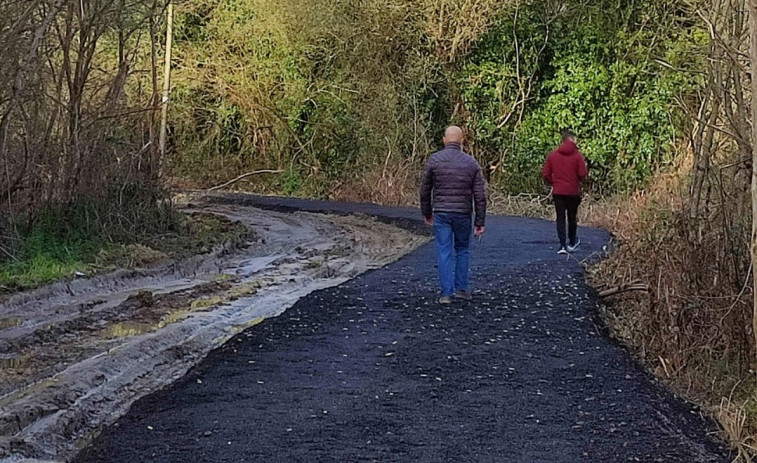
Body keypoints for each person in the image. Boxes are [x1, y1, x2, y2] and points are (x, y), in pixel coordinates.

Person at [420, 126, 487, 304]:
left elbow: (425, 190)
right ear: (462, 141)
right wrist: (480, 221)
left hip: (441, 212)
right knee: (463, 249)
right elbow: (480, 196)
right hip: (463, 213)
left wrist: (427, 212)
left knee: (444, 250)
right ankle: (461, 289)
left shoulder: (434, 160)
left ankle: (446, 293)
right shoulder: (471, 163)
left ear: (444, 140)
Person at [542, 129, 588, 255]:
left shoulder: (553, 155)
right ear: (571, 139)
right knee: (572, 217)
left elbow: (545, 173)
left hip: (558, 192)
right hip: (573, 191)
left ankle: (562, 245)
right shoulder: (578, 156)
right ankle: (572, 243)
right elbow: (582, 174)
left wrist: (554, 182)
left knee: (560, 218)